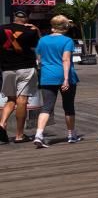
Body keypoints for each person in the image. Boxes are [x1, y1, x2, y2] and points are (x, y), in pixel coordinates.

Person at [32, 15, 81, 147]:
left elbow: (39, 58)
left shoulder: (43, 41)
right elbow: (65, 59)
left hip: (47, 75)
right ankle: (71, 135)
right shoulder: (67, 41)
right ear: (65, 27)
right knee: (68, 106)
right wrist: (65, 79)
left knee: (47, 106)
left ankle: (39, 135)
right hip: (66, 76)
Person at [1, 9, 41, 144]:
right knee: (22, 100)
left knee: (11, 99)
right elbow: (38, 46)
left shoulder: (1, 29)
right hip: (25, 68)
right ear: (27, 18)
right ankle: (19, 135)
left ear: (13, 16)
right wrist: (37, 30)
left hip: (7, 69)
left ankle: (2, 124)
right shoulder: (31, 31)